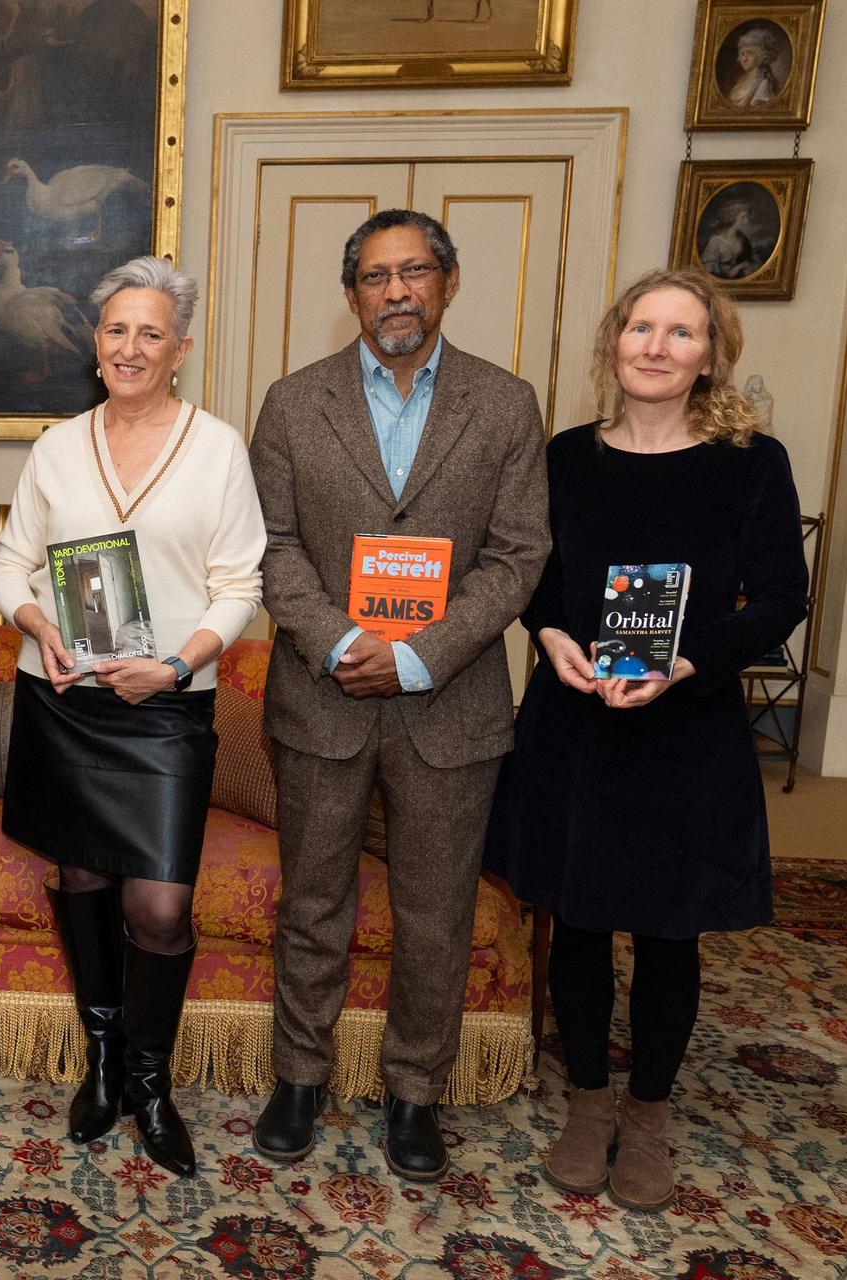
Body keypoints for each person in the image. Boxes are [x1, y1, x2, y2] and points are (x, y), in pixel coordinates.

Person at [485, 267, 807, 1210]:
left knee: (669, 929)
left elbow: (782, 599)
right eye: (641, 328)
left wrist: (684, 664)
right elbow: (532, 576)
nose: (657, 347)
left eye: (681, 333)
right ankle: (590, 1102)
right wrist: (548, 636)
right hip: (574, 719)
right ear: (614, 341)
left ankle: (651, 1115)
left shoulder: (752, 462)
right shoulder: (566, 457)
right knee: (579, 919)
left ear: (712, 355)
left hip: (685, 728)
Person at [246, 209, 550, 1179]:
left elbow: (518, 556)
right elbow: (274, 546)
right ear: (352, 296)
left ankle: (416, 1091)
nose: (398, 292)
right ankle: (300, 1075)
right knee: (314, 902)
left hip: (448, 705)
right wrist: (341, 640)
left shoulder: (506, 406)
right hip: (321, 699)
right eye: (376, 277)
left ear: (450, 282)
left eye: (415, 271)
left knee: (437, 911)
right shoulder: (294, 404)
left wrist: (418, 653)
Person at [0, 256, 264, 1178]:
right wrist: (35, 624)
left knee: (158, 899)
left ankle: (152, 1079)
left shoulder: (219, 447)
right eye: (116, 330)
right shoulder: (59, 447)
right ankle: (103, 1062)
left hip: (165, 706)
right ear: (95, 345)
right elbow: (8, 564)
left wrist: (180, 663)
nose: (131, 347)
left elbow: (239, 586)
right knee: (82, 879)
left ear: (180, 350)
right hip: (65, 697)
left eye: (151, 332)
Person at [727, 26, 784, 108]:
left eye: (750, 53)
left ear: (762, 56)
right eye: (742, 53)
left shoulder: (764, 84)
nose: (744, 59)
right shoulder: (740, 81)